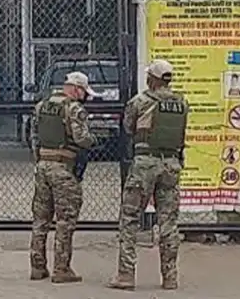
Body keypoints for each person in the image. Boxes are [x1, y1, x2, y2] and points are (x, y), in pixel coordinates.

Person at [107, 59, 189, 291]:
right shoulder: (182, 103)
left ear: (152, 78)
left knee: (130, 218)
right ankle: (170, 277)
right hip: (171, 164)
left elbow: (128, 127)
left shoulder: (140, 101)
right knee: (168, 222)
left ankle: (125, 275)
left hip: (145, 163)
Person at [29, 71, 97, 283]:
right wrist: (93, 140)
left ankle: (37, 266)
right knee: (65, 220)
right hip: (64, 168)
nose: (85, 96)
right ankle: (61, 268)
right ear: (76, 89)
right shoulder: (73, 108)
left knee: (41, 219)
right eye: (84, 92)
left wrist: (40, 159)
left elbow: (34, 136)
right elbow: (81, 138)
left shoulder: (41, 106)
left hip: (43, 166)